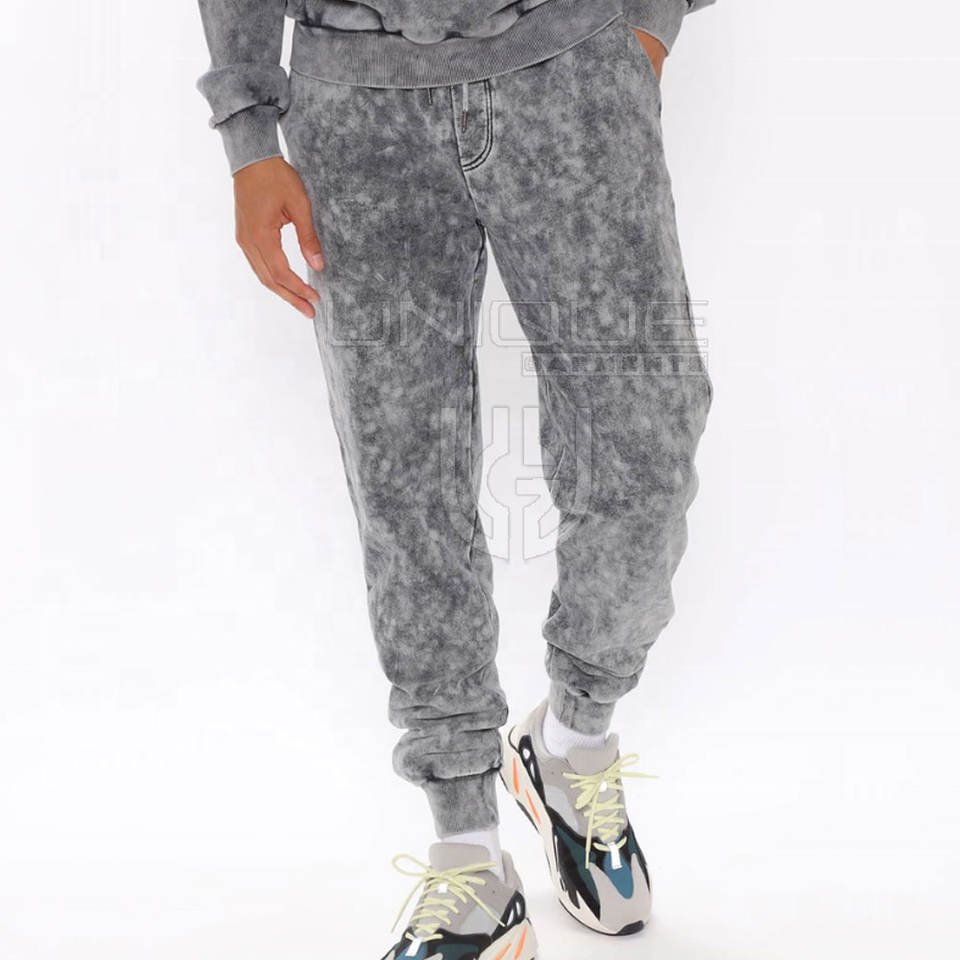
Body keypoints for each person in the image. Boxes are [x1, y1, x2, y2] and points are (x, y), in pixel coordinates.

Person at [197, 0, 714, 951]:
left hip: (571, 66)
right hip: (356, 107)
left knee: (646, 451)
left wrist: (648, 19)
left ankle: (571, 741)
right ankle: (468, 851)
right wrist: (248, 132)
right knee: (405, 486)